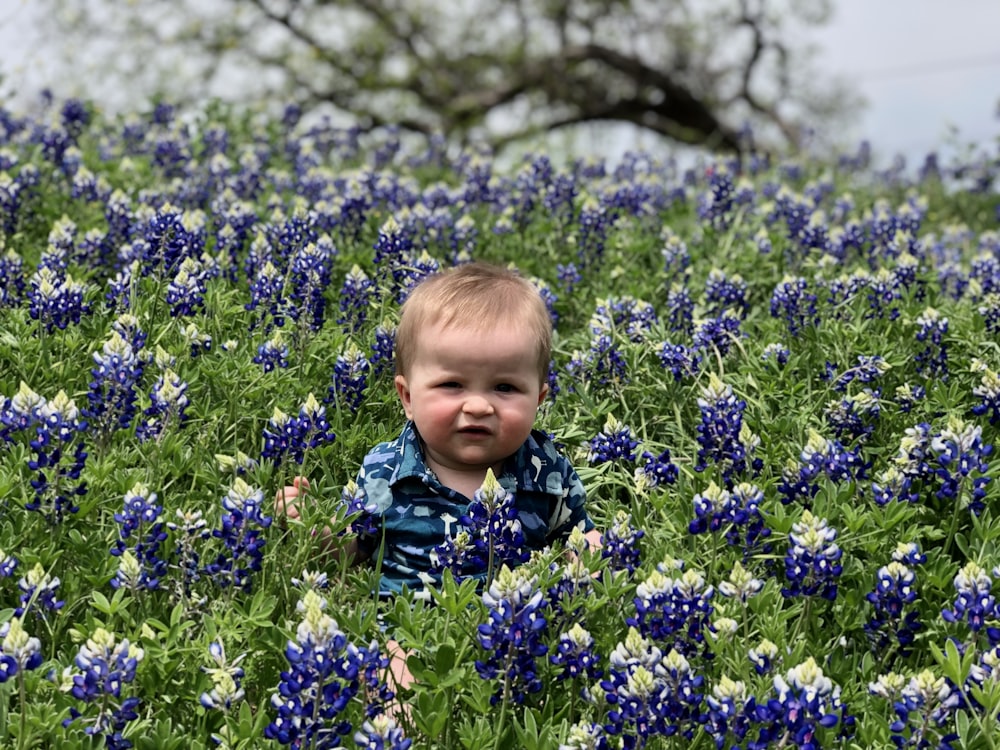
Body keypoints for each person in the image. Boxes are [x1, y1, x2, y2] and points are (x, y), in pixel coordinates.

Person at [275, 261, 602, 696]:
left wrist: (589, 556)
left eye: (505, 387)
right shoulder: (385, 471)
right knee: (396, 684)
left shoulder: (549, 471)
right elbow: (352, 550)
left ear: (540, 398)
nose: (479, 405)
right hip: (404, 627)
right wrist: (315, 529)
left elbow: (579, 538)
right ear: (407, 397)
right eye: (452, 385)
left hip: (512, 627)